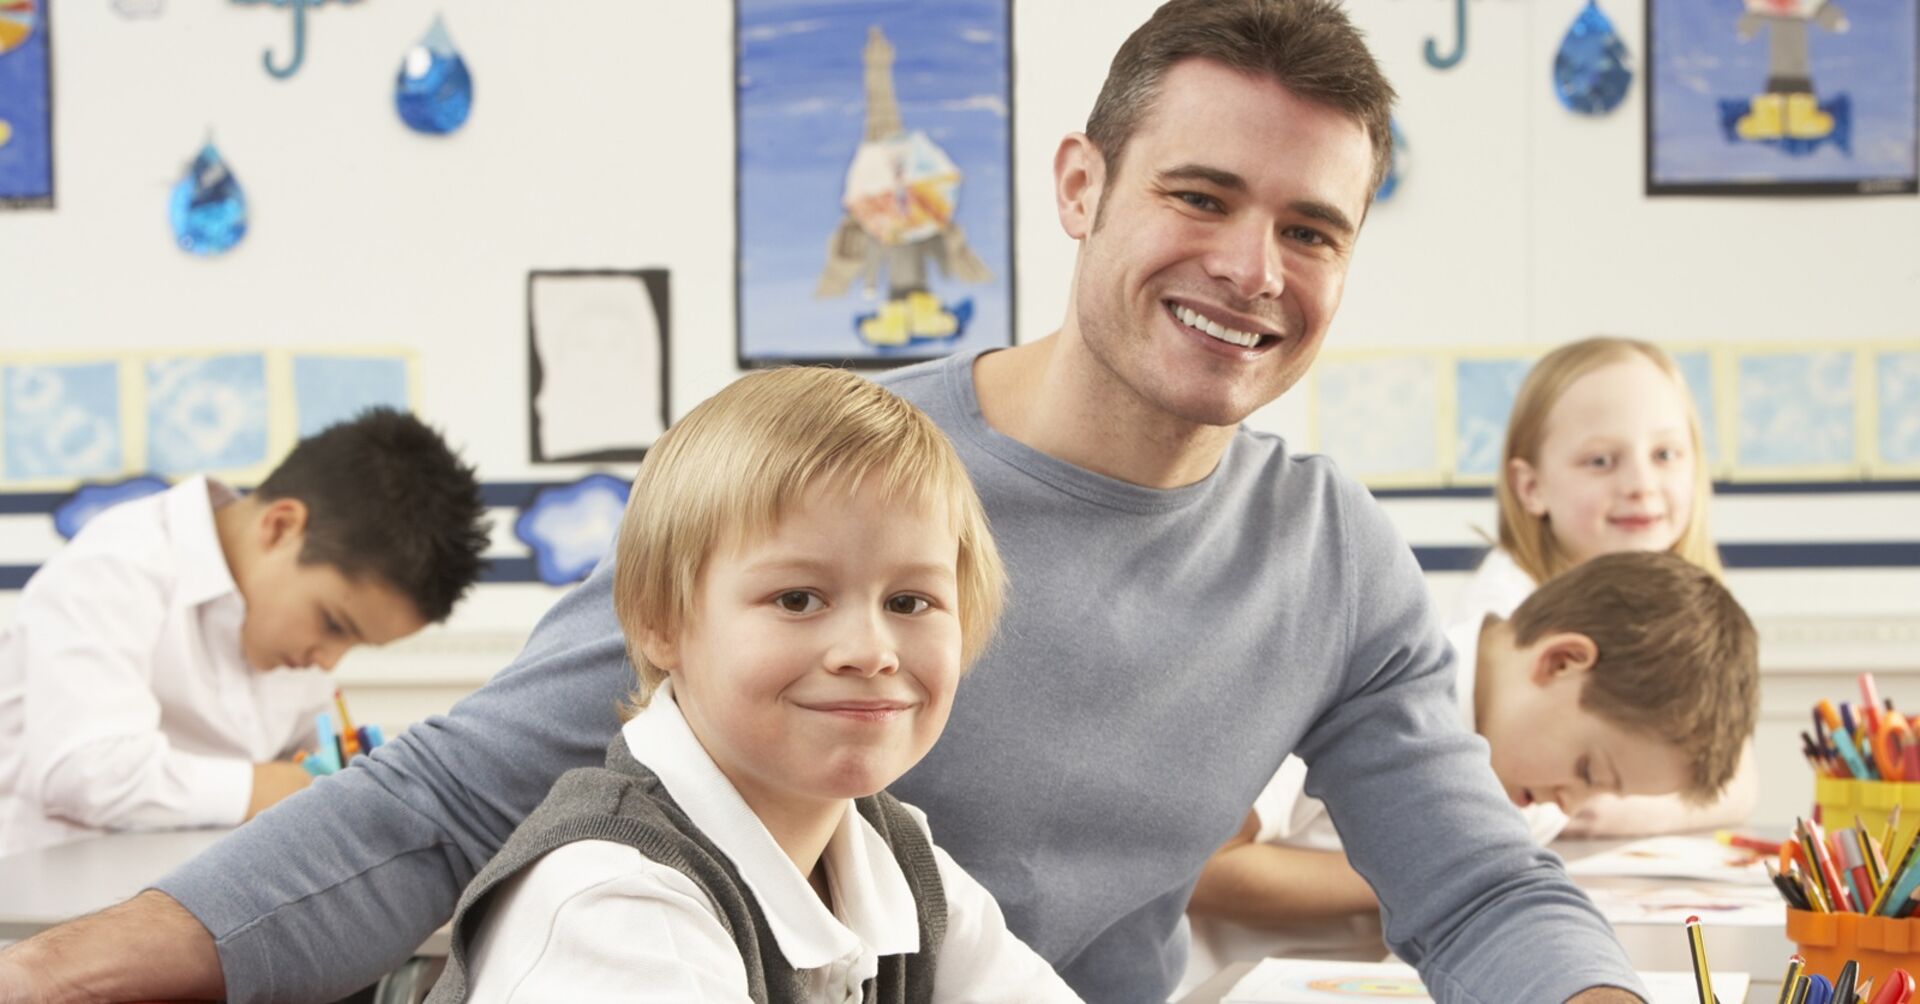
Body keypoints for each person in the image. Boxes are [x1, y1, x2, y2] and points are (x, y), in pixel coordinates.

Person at [0, 3, 1651, 1002]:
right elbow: (443, 803)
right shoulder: (819, 482)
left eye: (1312, 228)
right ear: (1080, 186)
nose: (1250, 268)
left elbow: (1476, 883)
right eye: (1201, 196)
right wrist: (63, 966)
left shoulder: (1332, 554)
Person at [426, 367, 1078, 1002]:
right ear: (661, 623)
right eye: (797, 599)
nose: (870, 652)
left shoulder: (896, 858)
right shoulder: (612, 904)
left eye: (909, 603)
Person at [1182, 550, 1760, 989]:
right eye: (1587, 768)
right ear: (1559, 662)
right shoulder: (1369, 678)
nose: (1572, 804)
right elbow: (1200, 867)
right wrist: (1423, 875)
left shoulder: (1532, 797)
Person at [0, 407, 489, 858]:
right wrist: (285, 786)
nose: (328, 661)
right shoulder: (116, 567)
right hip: (44, 915)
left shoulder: (291, 635)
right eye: (335, 625)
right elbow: (86, 773)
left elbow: (315, 762)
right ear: (279, 528)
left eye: (356, 645)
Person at [1452, 335, 1756, 835]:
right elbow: (1557, 807)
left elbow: (1740, 781)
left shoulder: (1686, 619)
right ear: (1531, 487)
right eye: (1600, 461)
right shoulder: (1502, 612)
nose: (1641, 483)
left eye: (1665, 454)